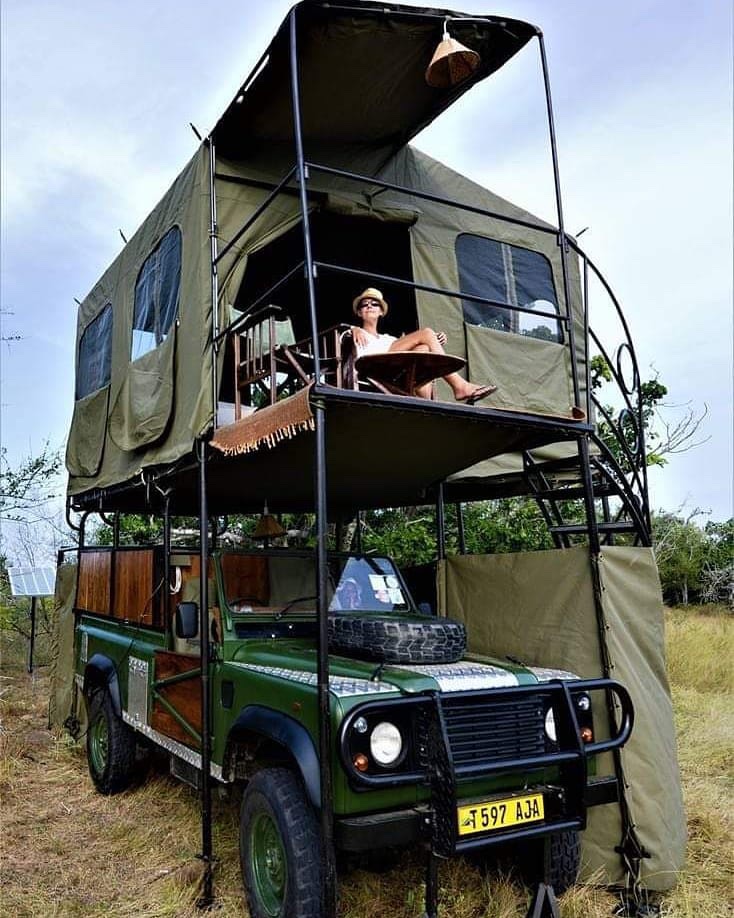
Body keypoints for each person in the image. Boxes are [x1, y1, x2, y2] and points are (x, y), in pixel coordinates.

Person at [349, 287, 497, 403]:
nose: (369, 306)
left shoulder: (388, 339)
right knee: (426, 333)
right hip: (374, 367)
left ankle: (424, 400)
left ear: (381, 312)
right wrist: (353, 328)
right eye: (364, 304)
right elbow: (342, 333)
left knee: (424, 348)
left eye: (374, 304)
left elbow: (409, 344)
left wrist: (435, 341)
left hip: (394, 371)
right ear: (359, 312)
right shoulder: (351, 331)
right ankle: (459, 386)